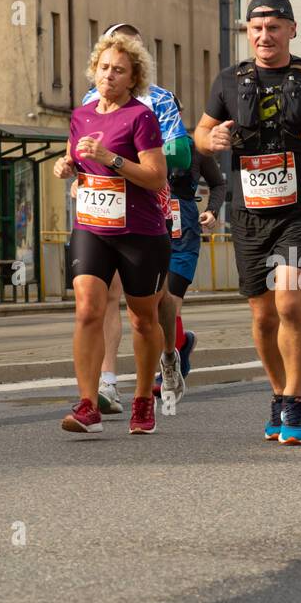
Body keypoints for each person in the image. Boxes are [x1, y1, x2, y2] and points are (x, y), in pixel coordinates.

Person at [193, 0, 301, 444]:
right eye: (257, 28)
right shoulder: (228, 80)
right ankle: (279, 394)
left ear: (292, 30)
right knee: (263, 316)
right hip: (249, 210)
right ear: (249, 32)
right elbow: (201, 134)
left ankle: (297, 399)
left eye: (274, 27)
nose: (265, 35)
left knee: (288, 300)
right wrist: (214, 138)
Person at [78, 23, 205, 414]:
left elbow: (180, 156)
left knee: (148, 306)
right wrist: (75, 166)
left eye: (126, 55)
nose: (111, 72)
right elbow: (81, 148)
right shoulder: (87, 101)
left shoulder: (160, 100)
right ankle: (108, 385)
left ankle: (169, 352)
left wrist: (126, 155)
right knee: (98, 299)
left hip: (149, 209)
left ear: (137, 62)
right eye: (106, 63)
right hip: (99, 210)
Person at [55, 33, 168, 434]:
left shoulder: (141, 117)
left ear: (133, 77)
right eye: (104, 68)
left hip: (140, 231)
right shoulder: (81, 115)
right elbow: (78, 157)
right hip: (92, 226)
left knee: (142, 319)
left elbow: (156, 178)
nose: (109, 75)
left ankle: (141, 399)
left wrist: (112, 159)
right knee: (87, 309)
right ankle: (88, 405)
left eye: (119, 70)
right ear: (94, 70)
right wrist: (67, 166)